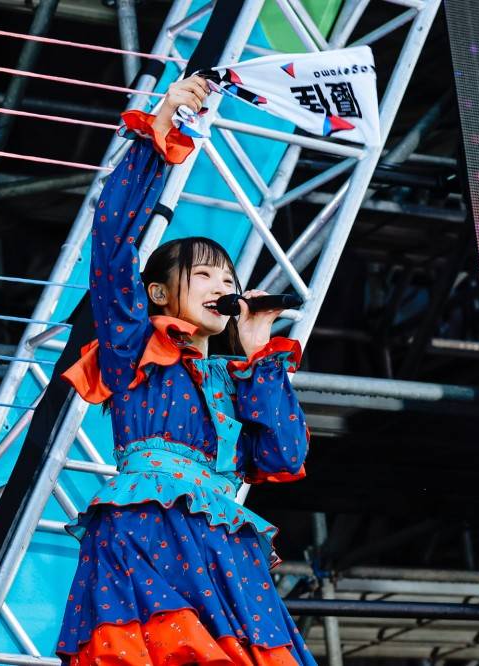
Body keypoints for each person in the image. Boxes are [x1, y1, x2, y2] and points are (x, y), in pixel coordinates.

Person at [55, 74, 316, 666]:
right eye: (203, 276)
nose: (221, 286)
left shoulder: (235, 378)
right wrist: (161, 128)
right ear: (157, 292)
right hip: (149, 533)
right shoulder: (135, 346)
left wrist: (258, 352)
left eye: (228, 278)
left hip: (221, 550)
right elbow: (112, 242)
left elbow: (284, 456)